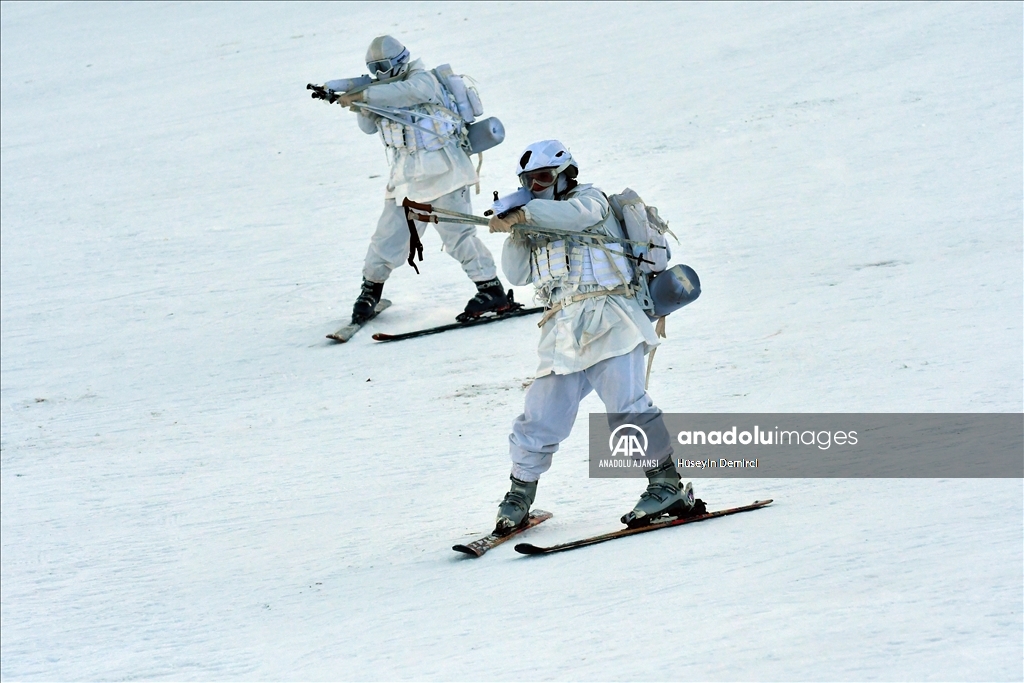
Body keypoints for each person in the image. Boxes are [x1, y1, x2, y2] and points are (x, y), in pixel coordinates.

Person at [487, 140, 696, 534]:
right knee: (540, 414)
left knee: (627, 406)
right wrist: (516, 231)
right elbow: (516, 274)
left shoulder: (590, 201)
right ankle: (520, 493)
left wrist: (525, 212)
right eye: (528, 182)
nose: (535, 187)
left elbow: (570, 217)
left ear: (565, 175)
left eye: (543, 178)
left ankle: (666, 484)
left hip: (610, 316)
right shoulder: (537, 218)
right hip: (563, 328)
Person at [334, 35, 509, 323]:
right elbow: (367, 127)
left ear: (400, 61)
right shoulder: (379, 91)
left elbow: (410, 92)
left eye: (383, 66)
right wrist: (359, 100)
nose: (380, 73)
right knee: (387, 238)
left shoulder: (424, 80)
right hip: (405, 179)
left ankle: (491, 289)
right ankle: (370, 291)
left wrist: (365, 95)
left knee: (458, 237)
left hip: (446, 173)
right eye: (374, 68)